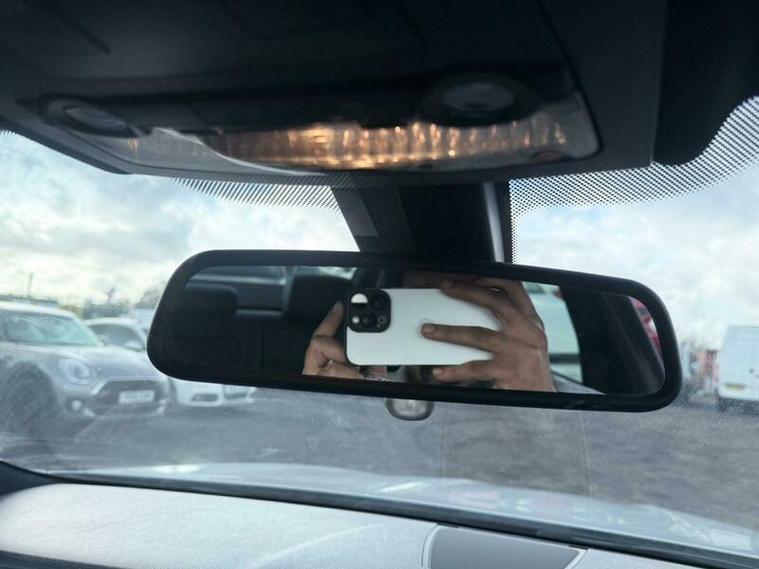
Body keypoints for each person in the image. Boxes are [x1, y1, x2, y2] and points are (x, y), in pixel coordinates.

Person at [302, 272, 557, 393]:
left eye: (462, 305)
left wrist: (538, 396)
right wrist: (319, 404)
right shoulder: (368, 387)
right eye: (422, 300)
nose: (440, 327)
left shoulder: (553, 392)